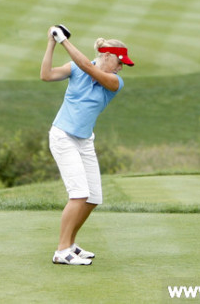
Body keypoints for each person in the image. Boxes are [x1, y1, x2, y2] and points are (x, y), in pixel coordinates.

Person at [40, 25, 134, 266]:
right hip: (63, 136)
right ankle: (61, 250)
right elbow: (46, 75)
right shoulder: (77, 68)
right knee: (79, 194)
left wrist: (64, 41)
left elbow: (87, 67)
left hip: (84, 140)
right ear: (107, 56)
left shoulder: (114, 82)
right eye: (119, 62)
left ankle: (71, 243)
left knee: (93, 198)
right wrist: (52, 42)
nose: (121, 68)